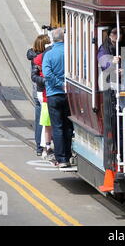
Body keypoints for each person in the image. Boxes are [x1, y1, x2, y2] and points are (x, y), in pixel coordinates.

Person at [42, 28, 74, 168]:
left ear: (53, 39)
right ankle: (69, 154)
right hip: (70, 94)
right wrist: (67, 85)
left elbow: (47, 74)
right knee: (68, 126)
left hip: (54, 94)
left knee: (58, 127)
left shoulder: (49, 54)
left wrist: (60, 84)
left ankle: (62, 159)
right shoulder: (72, 52)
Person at [27, 34, 50, 156]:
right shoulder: (41, 57)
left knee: (39, 119)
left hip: (36, 90)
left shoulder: (33, 55)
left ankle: (39, 147)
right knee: (44, 119)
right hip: (42, 90)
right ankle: (43, 146)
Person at [32, 51, 53, 160]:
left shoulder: (39, 57)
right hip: (44, 95)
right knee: (45, 122)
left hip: (44, 94)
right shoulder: (43, 56)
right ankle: (44, 147)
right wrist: (46, 81)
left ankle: (44, 147)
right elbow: (34, 75)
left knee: (45, 123)